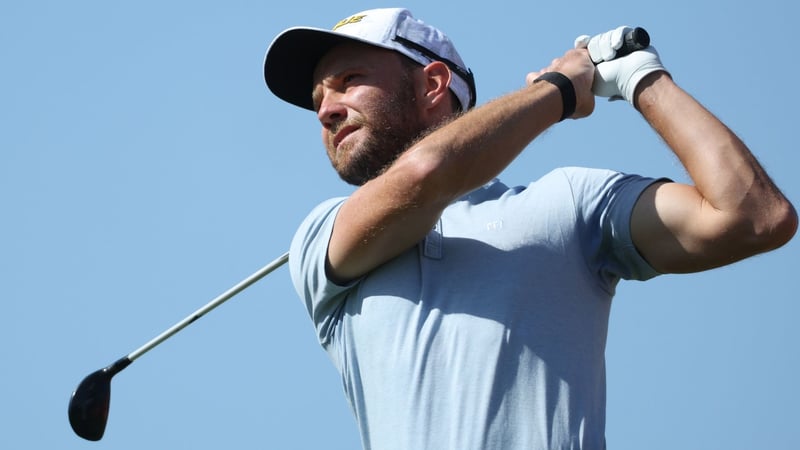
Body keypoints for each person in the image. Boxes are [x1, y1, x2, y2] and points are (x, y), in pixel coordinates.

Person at [263, 7, 797, 450]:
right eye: (317, 101)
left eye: (348, 82)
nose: (326, 111)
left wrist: (641, 78)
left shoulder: (567, 203)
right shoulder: (321, 234)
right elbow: (425, 174)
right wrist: (560, 90)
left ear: (432, 83)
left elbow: (754, 217)